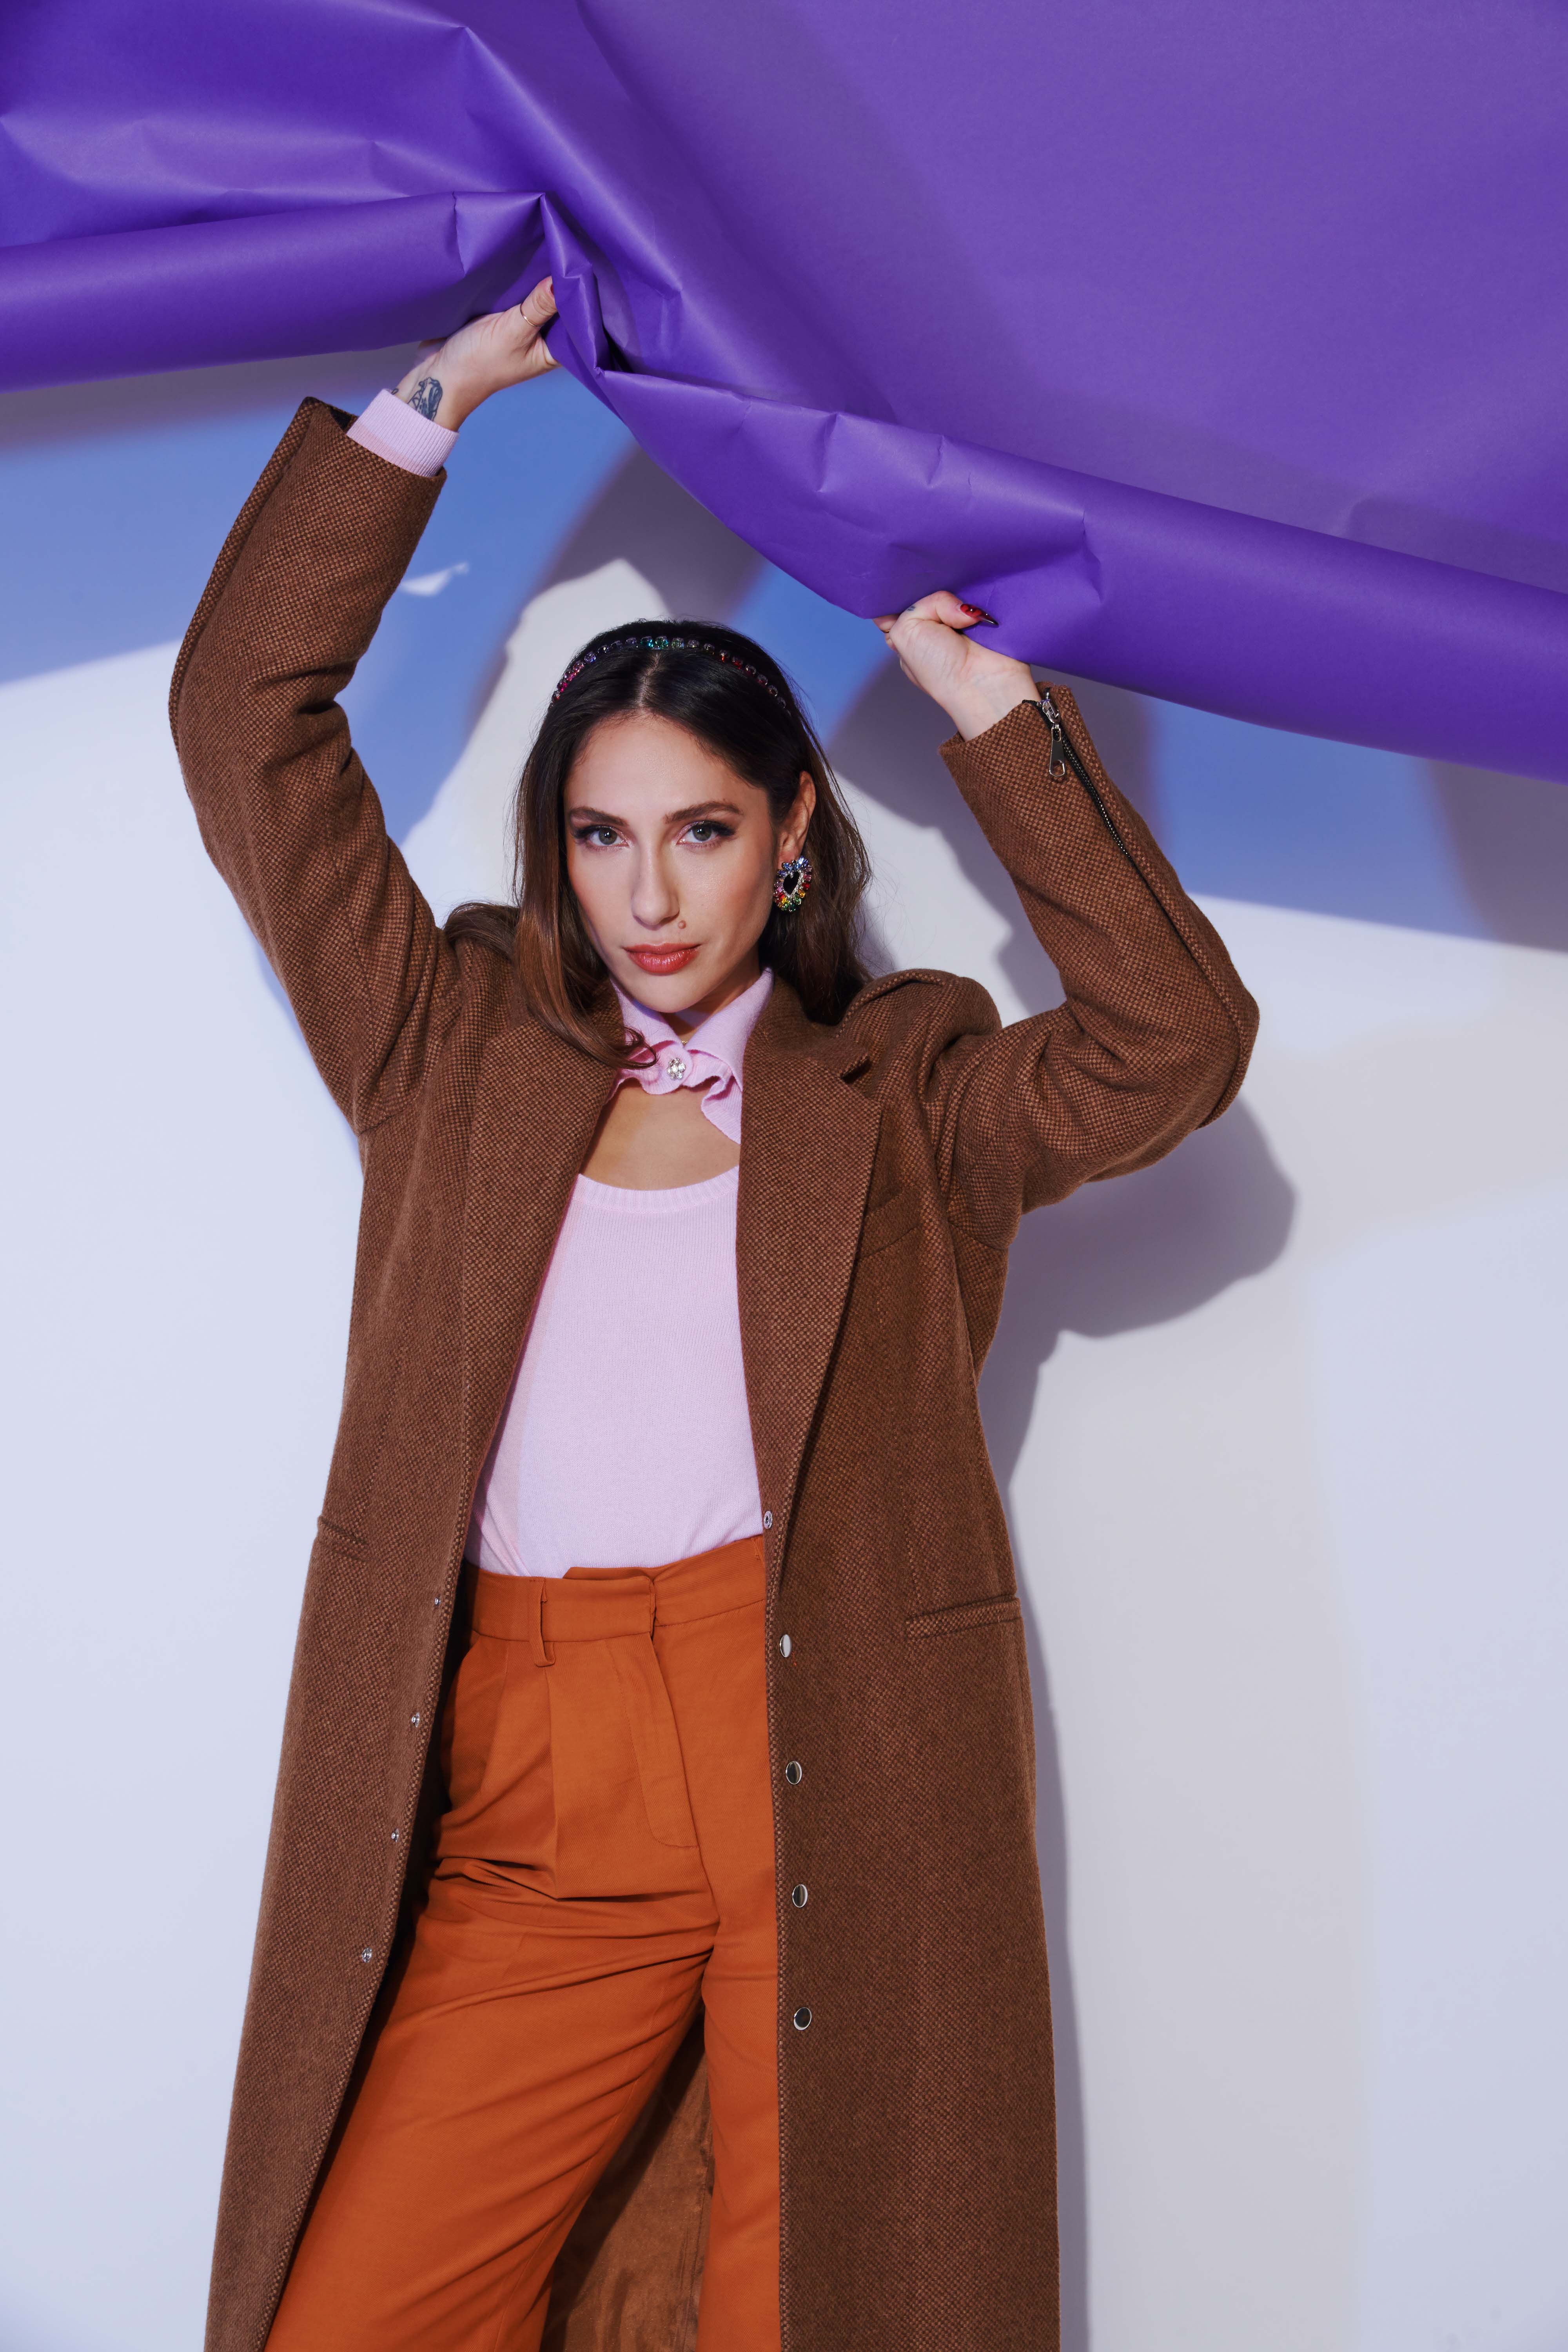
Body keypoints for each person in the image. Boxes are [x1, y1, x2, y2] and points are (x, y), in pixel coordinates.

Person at [172, 277, 1258, 2352]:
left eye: (701, 831)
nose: (649, 895)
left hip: (823, 1757)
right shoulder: (447, 1043)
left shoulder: (909, 1091)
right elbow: (244, 720)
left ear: (791, 842)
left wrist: (994, 719)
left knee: (818, 2306)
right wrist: (430, 406)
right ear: (555, 849)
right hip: (532, 1795)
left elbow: (1173, 1047)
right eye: (602, 835)